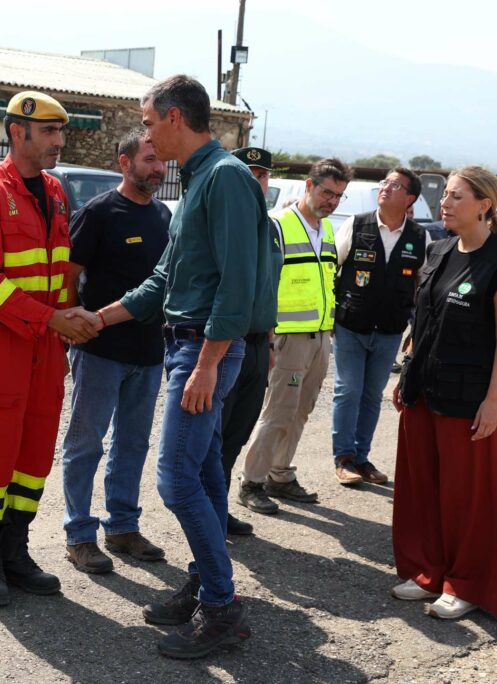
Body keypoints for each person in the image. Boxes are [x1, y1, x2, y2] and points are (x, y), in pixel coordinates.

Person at [91, 75, 265, 658]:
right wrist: (98, 317)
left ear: (171, 117)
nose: (145, 133)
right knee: (207, 475)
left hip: (205, 350)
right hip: (186, 345)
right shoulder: (195, 181)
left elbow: (238, 285)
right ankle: (205, 580)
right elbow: (165, 279)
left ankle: (221, 608)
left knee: (175, 480)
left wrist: (208, 364)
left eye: (146, 121)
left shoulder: (226, 178)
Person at [0, 91, 98, 608]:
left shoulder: (57, 192)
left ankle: (16, 552)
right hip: (4, 343)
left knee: (35, 452)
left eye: (61, 132)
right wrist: (49, 319)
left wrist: (70, 319)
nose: (59, 141)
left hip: (47, 347)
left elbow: (60, 270)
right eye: (50, 133)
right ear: (19, 133)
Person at [392, 166, 497, 620]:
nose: (444, 204)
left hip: (468, 400)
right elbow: (422, 319)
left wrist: (494, 402)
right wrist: (406, 371)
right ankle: (429, 572)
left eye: (455, 196)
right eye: (445, 195)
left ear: (485, 205)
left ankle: (466, 583)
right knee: (423, 489)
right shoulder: (439, 249)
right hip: (424, 391)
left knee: (467, 500)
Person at [60, 128, 171, 574]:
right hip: (100, 349)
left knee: (133, 444)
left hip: (149, 352)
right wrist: (71, 323)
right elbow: (67, 273)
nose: (158, 168)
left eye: (161, 160)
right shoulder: (98, 212)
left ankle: (122, 527)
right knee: (86, 444)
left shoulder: (164, 215)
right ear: (124, 162)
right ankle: (80, 534)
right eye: (149, 159)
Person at [238, 158, 352, 515]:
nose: (331, 201)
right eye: (326, 192)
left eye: (338, 196)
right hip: (288, 337)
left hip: (319, 336)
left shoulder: (329, 230)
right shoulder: (279, 225)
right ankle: (251, 482)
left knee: (301, 410)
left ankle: (281, 475)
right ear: (308, 185)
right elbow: (265, 284)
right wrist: (270, 338)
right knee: (278, 411)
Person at [330, 168, 429, 486]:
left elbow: (423, 288)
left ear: (410, 197)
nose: (385, 187)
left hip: (389, 331)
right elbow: (331, 267)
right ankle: (343, 458)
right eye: (384, 182)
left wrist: (416, 331)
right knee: (348, 390)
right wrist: (330, 313)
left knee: (372, 395)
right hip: (350, 326)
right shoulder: (356, 225)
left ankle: (361, 458)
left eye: (395, 185)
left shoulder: (419, 237)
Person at [216, 146, 282, 537]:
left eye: (262, 175)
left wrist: (271, 343)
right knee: (214, 435)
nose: (256, 181)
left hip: (258, 343)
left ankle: (218, 510)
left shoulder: (271, 227)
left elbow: (269, 289)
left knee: (237, 433)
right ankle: (205, 515)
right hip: (226, 343)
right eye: (249, 173)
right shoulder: (223, 222)